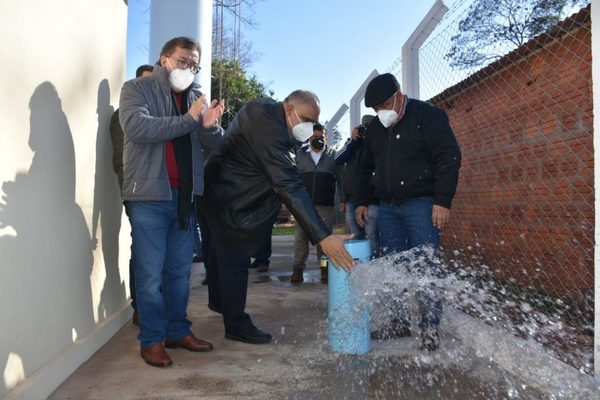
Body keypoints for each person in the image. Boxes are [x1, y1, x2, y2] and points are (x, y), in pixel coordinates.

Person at [199, 90, 354, 345]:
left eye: (314, 123)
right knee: (234, 260)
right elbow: (289, 186)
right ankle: (236, 323)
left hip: (214, 191)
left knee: (217, 255)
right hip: (231, 199)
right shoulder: (272, 133)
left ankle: (219, 302)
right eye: (305, 119)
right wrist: (323, 238)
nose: (309, 127)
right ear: (289, 108)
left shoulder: (261, 108)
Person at [119, 36, 225, 367]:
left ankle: (178, 330)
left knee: (180, 273)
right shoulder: (137, 89)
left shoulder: (195, 97)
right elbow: (137, 128)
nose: (188, 69)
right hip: (149, 197)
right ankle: (152, 339)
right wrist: (189, 120)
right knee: (150, 276)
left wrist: (209, 127)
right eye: (183, 61)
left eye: (194, 64)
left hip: (184, 197)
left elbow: (214, 144)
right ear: (164, 59)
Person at [355, 73, 461, 351]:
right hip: (387, 208)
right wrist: (364, 200)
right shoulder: (376, 129)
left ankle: (429, 328)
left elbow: (448, 157)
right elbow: (367, 166)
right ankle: (398, 322)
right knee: (392, 267)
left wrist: (442, 200)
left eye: (385, 105)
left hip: (422, 205)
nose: (381, 113)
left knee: (426, 265)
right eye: (375, 109)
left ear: (400, 97)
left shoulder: (428, 116)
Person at [110, 64, 154, 327]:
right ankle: (139, 306)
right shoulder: (122, 116)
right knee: (141, 250)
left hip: (158, 193)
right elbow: (120, 161)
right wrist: (134, 192)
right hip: (137, 193)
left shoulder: (156, 113)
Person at [290, 123, 344, 284]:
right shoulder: (299, 155)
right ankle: (297, 270)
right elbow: (291, 179)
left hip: (325, 205)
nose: (318, 140)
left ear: (326, 137)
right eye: (315, 137)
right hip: (303, 205)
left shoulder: (334, 156)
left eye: (321, 137)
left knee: (324, 241)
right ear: (309, 138)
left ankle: (325, 271)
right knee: (301, 239)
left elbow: (341, 179)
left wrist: (343, 199)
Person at [335, 114, 379, 258]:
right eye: (363, 128)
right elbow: (337, 159)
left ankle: (372, 265)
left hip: (371, 198)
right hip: (352, 198)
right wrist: (353, 142)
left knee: (370, 234)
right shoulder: (352, 144)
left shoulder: (379, 142)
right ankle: (359, 265)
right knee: (354, 235)